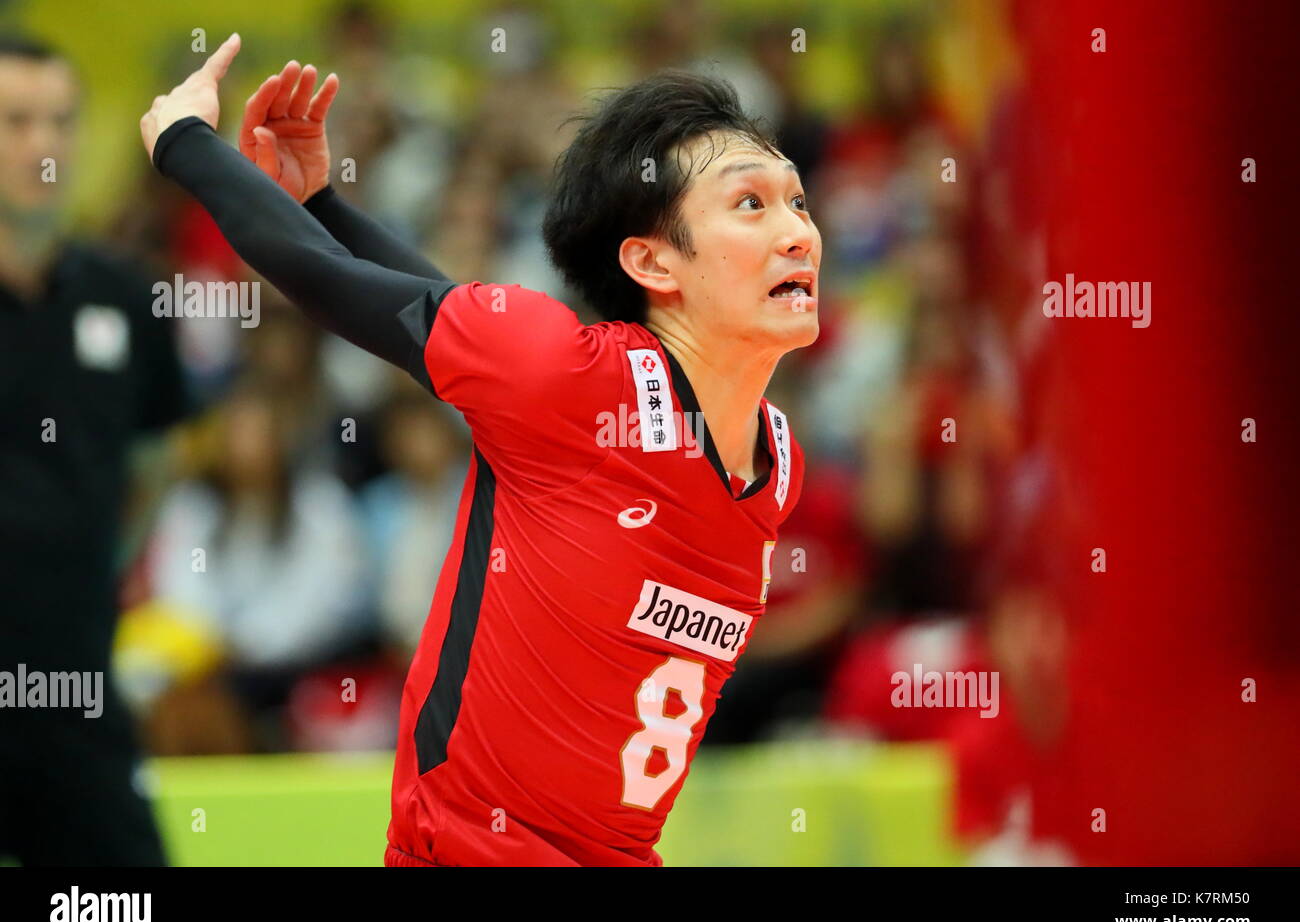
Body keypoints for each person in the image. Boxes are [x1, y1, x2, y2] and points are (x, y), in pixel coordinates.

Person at [139, 33, 821, 866]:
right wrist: (187, 144)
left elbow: (439, 310)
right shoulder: (567, 377)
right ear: (651, 261)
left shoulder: (776, 460)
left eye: (799, 202)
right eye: (751, 204)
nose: (798, 232)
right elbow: (324, 278)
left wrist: (321, 201)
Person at [0, 35, 188, 865]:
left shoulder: (125, 298)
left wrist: (91, 563)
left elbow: (156, 461)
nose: (45, 145)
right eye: (16, 122)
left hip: (75, 691)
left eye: (62, 122)